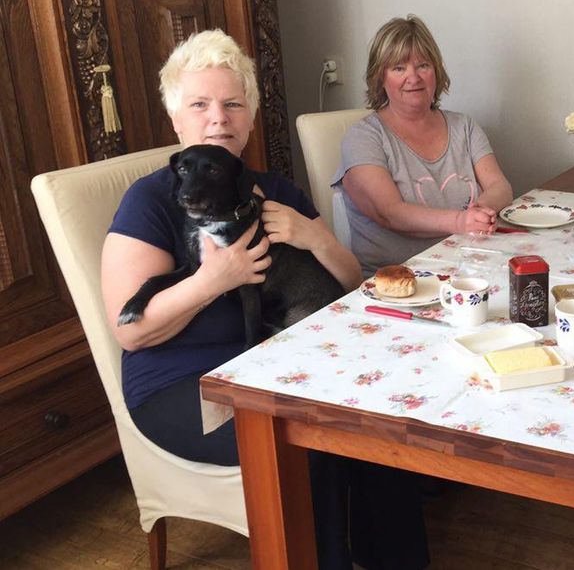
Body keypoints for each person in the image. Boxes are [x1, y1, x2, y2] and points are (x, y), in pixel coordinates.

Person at [101, 29, 428, 569]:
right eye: (200, 104)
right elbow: (131, 329)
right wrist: (216, 278)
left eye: (233, 104)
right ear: (176, 120)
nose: (219, 118)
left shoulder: (278, 191)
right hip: (184, 387)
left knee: (381, 410)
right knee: (312, 435)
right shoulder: (152, 200)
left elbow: (350, 281)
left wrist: (313, 235)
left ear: (250, 117)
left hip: (281, 365)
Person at [334, 14, 513, 274]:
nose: (413, 77)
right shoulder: (363, 137)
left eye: (423, 65)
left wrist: (482, 212)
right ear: (380, 78)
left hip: (469, 265)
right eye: (399, 68)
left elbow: (500, 186)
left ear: (436, 71)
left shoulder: (464, 126)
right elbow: (389, 212)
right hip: (398, 280)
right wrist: (460, 221)